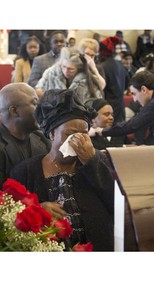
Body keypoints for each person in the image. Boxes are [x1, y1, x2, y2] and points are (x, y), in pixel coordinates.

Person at [10, 89, 114, 251]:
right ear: (52, 134)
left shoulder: (97, 160)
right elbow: (12, 212)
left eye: (84, 134)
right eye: (70, 134)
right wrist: (39, 208)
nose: (78, 140)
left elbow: (115, 202)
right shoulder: (26, 171)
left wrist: (91, 162)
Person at [0, 83, 51, 190]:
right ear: (14, 111)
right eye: (35, 103)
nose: (41, 109)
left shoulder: (42, 139)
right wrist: (38, 205)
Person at [90, 70, 154, 145]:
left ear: (143, 90)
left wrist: (100, 131)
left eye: (134, 94)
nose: (134, 100)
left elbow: (133, 125)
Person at [35, 47, 103, 103]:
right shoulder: (50, 74)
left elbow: (96, 103)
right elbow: (38, 93)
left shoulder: (87, 80)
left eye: (71, 69)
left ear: (78, 68)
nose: (66, 71)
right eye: (63, 67)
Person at [99, 36, 129, 125]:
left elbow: (101, 89)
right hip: (120, 105)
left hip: (108, 107)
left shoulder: (102, 67)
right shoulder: (120, 64)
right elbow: (127, 82)